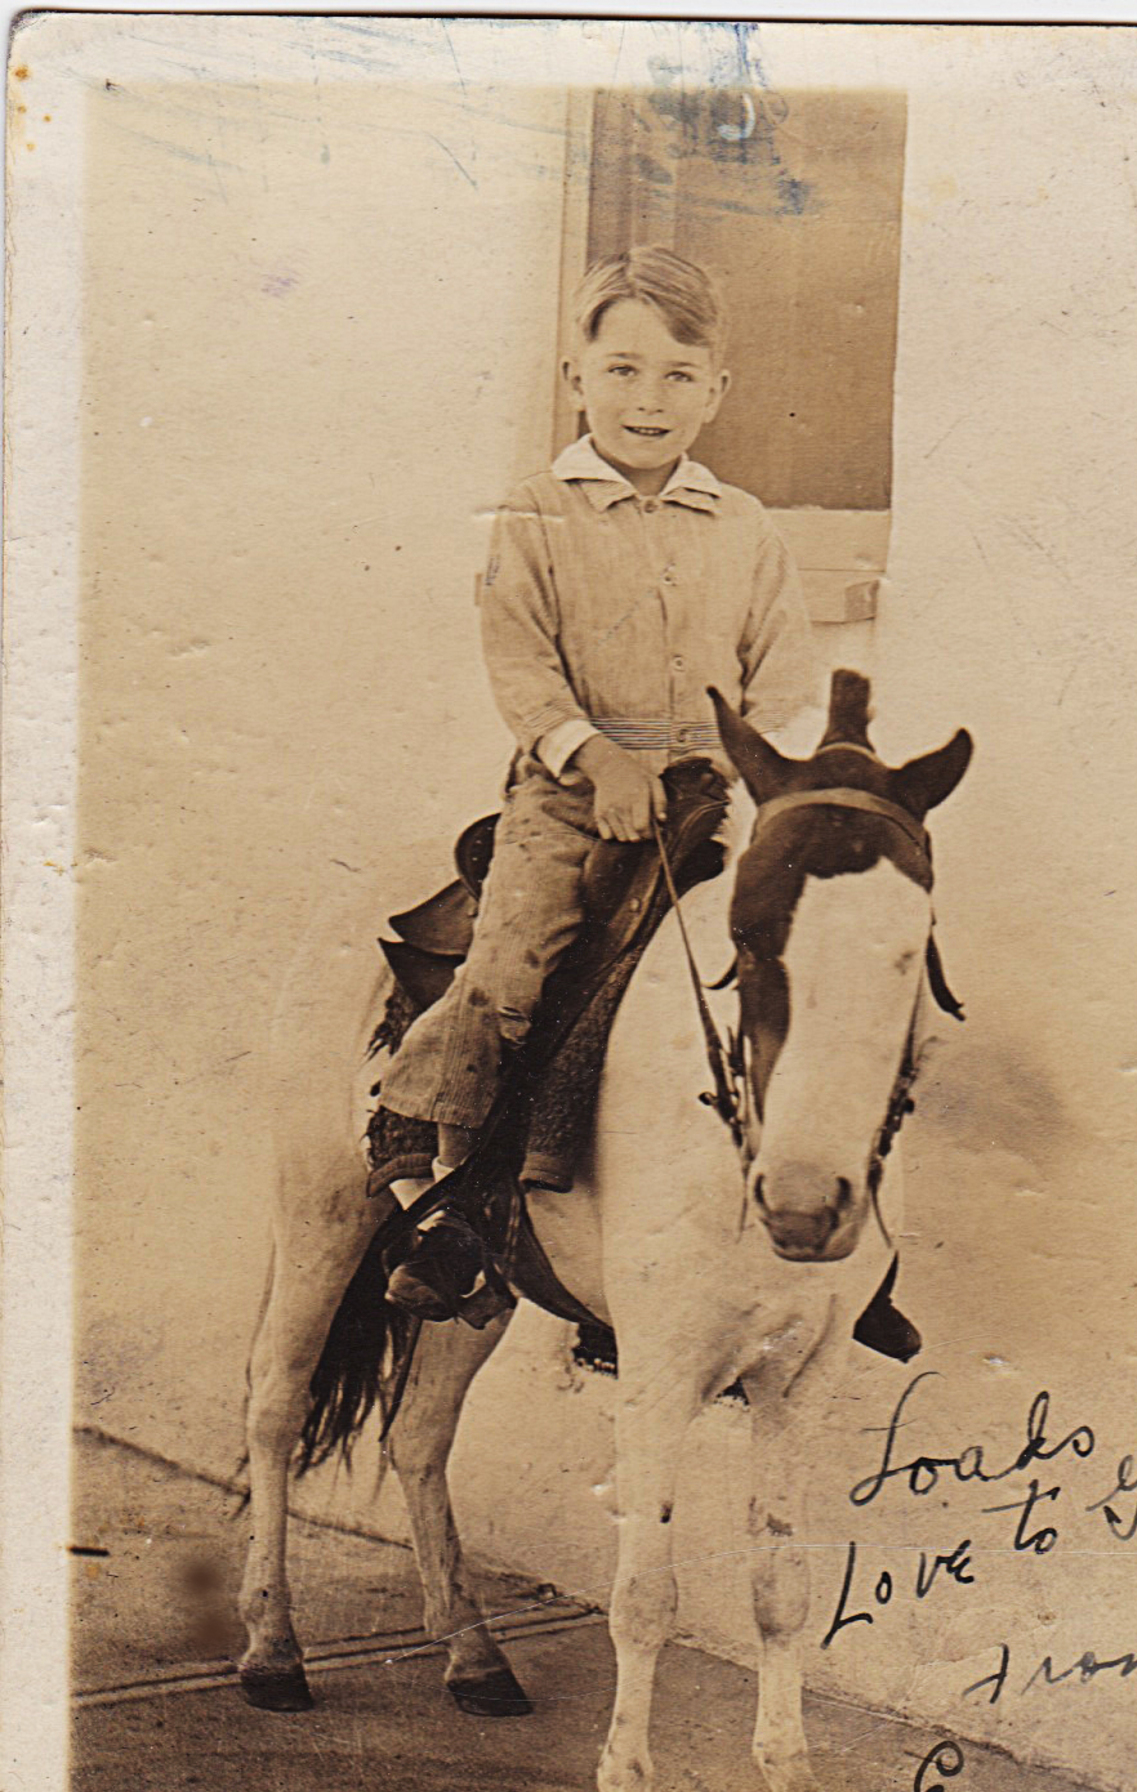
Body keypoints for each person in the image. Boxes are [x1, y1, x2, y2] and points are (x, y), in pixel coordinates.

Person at [378, 244, 821, 1318]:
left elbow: (784, 679)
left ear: (716, 390)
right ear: (575, 377)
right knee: (516, 956)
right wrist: (597, 758)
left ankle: (822, 1215)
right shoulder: (535, 513)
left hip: (713, 794)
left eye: (678, 375)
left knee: (814, 959)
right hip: (574, 793)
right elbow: (521, 664)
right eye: (621, 370)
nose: (648, 400)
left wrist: (749, 776)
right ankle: (454, 1187)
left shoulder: (744, 526)